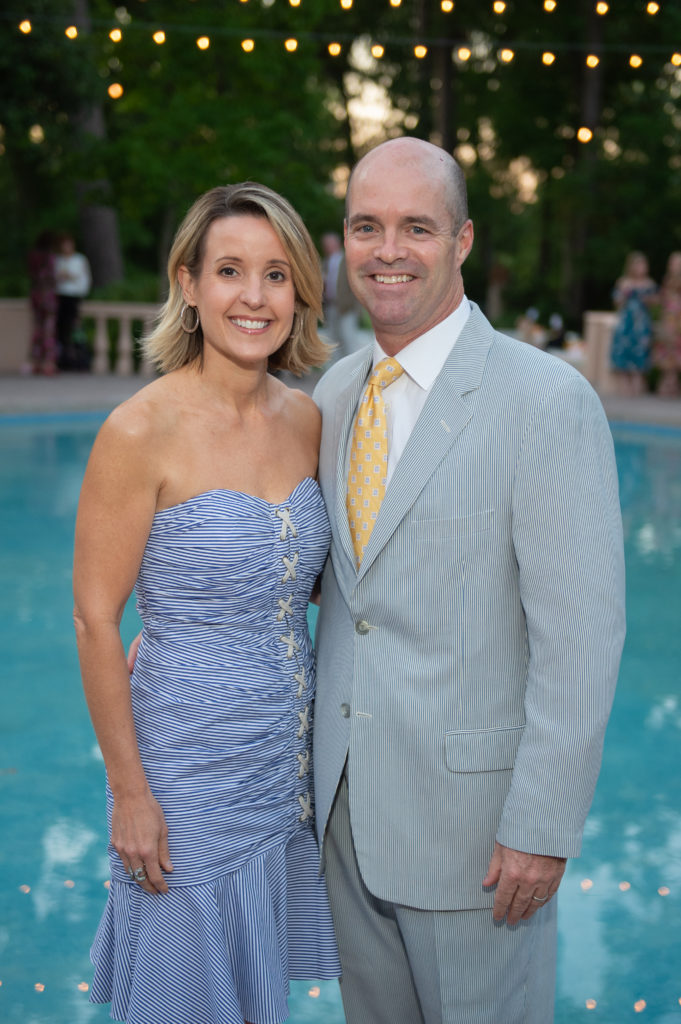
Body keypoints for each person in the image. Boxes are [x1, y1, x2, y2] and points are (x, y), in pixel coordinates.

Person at [311, 137, 626, 1023]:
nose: (388, 249)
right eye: (367, 226)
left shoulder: (543, 401)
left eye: (417, 226)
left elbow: (582, 636)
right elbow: (329, 579)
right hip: (345, 819)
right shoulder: (333, 396)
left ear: (461, 241)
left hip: (478, 840)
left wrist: (541, 826)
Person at [73, 182, 340, 1024]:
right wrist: (130, 795)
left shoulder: (307, 420)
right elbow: (93, 618)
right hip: (181, 773)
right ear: (188, 282)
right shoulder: (137, 431)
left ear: (300, 290)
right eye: (230, 271)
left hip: (279, 772)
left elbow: (318, 578)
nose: (253, 298)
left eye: (275, 274)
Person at [610, 250, 657, 396]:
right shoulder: (623, 282)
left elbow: (656, 303)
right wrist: (624, 293)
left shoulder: (649, 283)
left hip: (641, 325)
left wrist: (646, 297)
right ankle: (624, 393)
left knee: (640, 358)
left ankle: (636, 394)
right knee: (623, 359)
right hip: (626, 324)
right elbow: (616, 303)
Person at [55, 232, 92, 370]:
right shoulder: (58, 260)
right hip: (60, 297)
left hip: (74, 298)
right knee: (61, 330)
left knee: (75, 329)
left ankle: (78, 359)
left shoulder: (79, 259)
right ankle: (63, 359)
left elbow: (84, 279)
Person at [26, 229, 58, 375]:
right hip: (47, 295)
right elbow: (51, 277)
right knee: (48, 330)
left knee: (38, 330)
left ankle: (36, 363)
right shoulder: (49, 257)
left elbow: (32, 275)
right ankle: (48, 364)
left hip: (35, 295)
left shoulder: (33, 256)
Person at [653, 251, 681, 397]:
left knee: (675, 357)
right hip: (669, 321)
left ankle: (671, 387)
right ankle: (667, 387)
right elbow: (663, 302)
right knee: (667, 357)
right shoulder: (667, 280)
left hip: (678, 322)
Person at [321, 230, 343, 348]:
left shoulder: (347, 261)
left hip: (345, 307)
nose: (327, 247)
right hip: (330, 305)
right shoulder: (325, 262)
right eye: (326, 245)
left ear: (337, 244)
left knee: (347, 337)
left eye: (330, 244)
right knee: (332, 338)